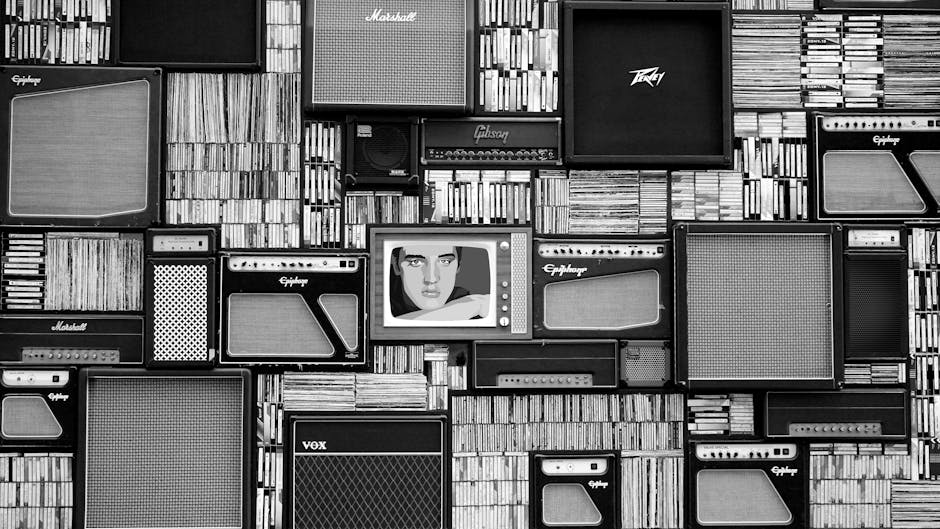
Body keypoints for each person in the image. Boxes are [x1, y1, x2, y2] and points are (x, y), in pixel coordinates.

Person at [389, 243, 490, 321]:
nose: (431, 279)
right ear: (396, 265)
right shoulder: (381, 295)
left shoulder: (463, 299)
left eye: (445, 261)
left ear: (458, 266)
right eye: (415, 262)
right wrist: (468, 307)